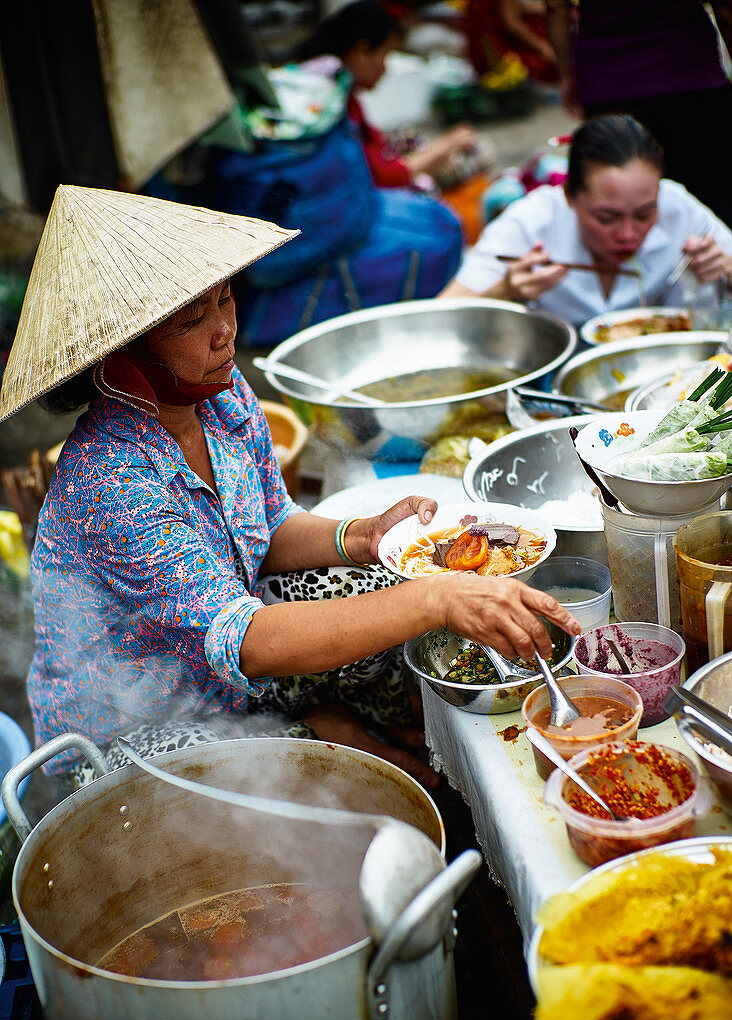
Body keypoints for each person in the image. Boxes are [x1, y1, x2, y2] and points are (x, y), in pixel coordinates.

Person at [0, 185, 579, 788]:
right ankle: (334, 737)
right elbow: (244, 640)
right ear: (117, 357)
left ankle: (390, 732)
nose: (225, 331)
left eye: (225, 300)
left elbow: (269, 525)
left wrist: (362, 536)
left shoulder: (219, 393)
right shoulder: (110, 479)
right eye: (192, 321)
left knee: (383, 573)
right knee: (297, 765)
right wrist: (433, 599)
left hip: (230, 677)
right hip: (138, 732)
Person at [440, 114, 732, 329]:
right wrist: (504, 292)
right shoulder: (531, 223)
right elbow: (442, 314)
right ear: (569, 195)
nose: (629, 234)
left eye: (644, 215)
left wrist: (726, 268)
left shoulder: (677, 208)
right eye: (607, 218)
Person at [544, 0, 732, 229]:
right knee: (711, 199)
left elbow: (556, 5)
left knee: (621, 204)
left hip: (609, 78)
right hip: (687, 71)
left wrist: (567, 73)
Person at [296, 0, 478, 190]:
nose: (385, 68)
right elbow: (382, 175)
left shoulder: (336, 89)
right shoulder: (333, 100)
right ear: (362, 52)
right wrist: (446, 146)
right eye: (385, 55)